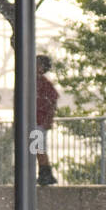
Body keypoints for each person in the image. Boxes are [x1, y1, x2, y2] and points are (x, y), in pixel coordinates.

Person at [36, 55, 59, 185]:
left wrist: (48, 120)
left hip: (38, 122)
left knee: (38, 148)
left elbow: (53, 101)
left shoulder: (42, 83)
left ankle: (45, 174)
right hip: (36, 121)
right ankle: (44, 174)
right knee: (37, 148)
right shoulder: (38, 81)